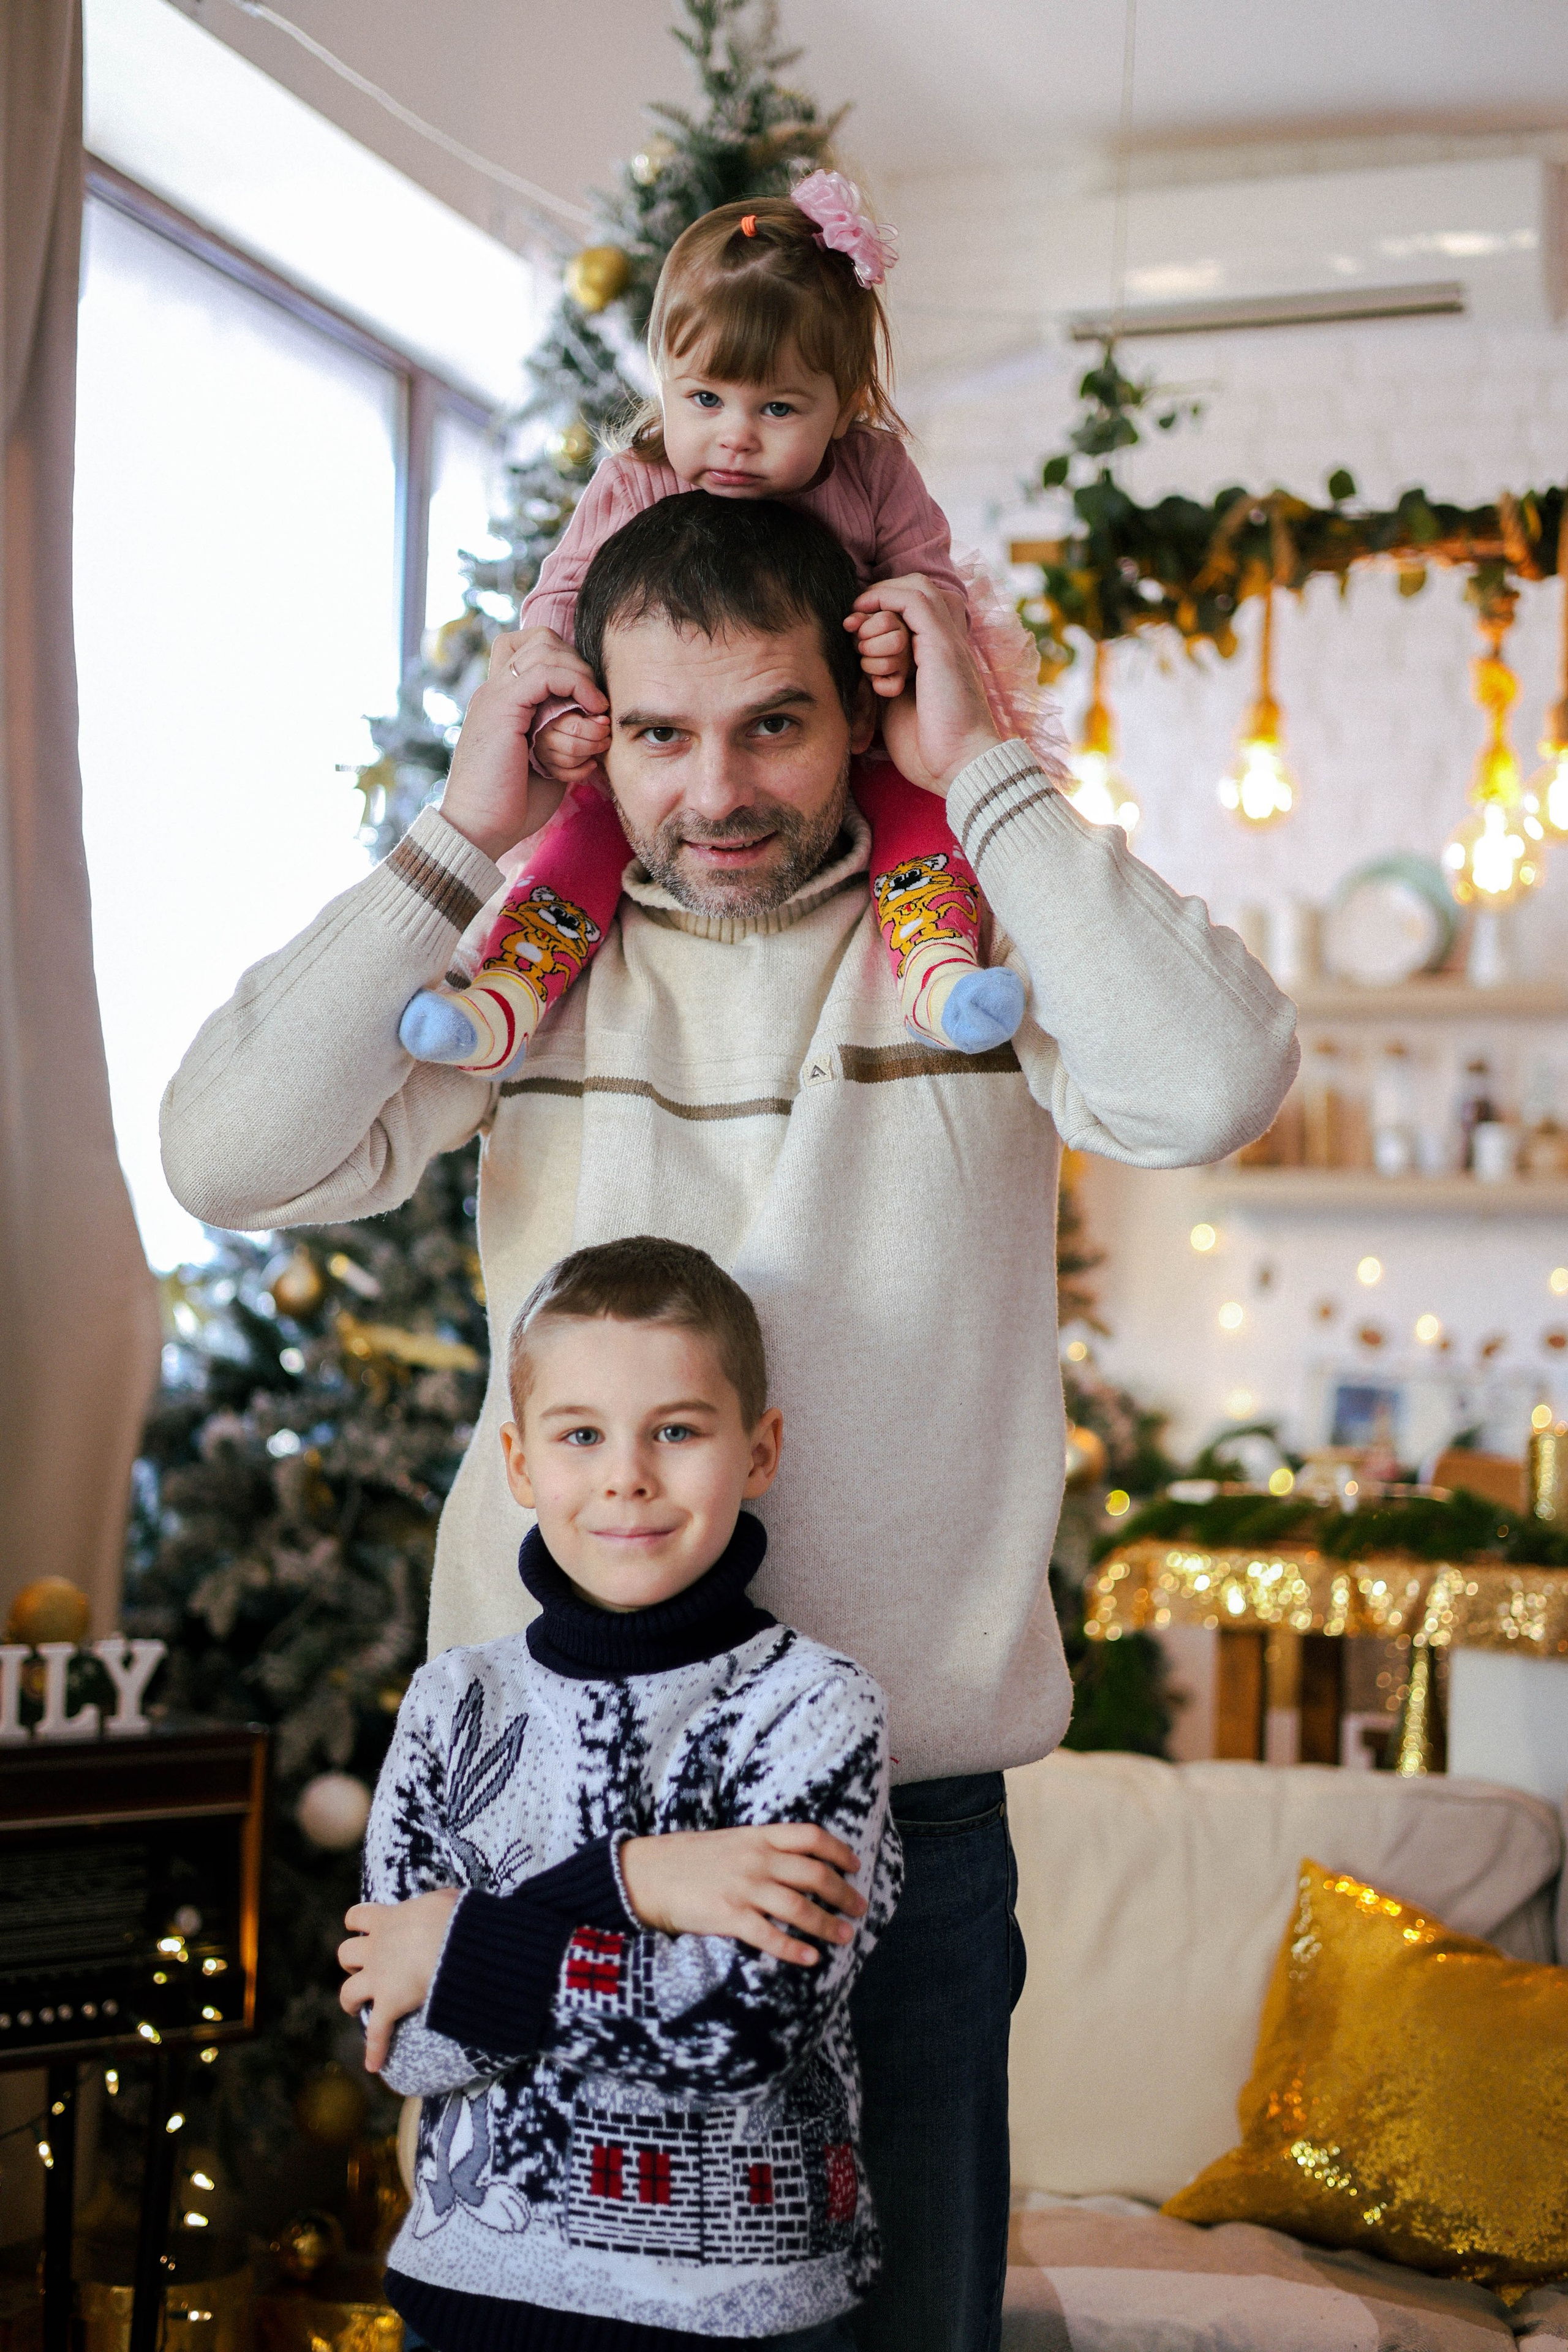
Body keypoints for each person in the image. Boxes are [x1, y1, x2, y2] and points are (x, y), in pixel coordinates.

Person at [162, 489, 1298, 2352]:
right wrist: (462, 830)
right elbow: (228, 1153)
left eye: (774, 722)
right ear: (595, 733)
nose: (717, 792)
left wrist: (989, 769)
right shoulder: (527, 970)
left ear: (861, 710)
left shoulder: (973, 952)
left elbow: (1215, 1077)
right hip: (539, 1794)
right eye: (661, 735)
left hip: (897, 1821)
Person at [341, 1234, 900, 2350]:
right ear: (519, 1463)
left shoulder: (815, 1709)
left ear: (759, 1450)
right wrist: (635, 1881)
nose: (627, 1477)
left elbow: (741, 2027)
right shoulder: (452, 1702)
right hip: (468, 2306)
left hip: (734, 2323)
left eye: (677, 1432)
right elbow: (403, 2042)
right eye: (581, 1435)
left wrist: (459, 1944)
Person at [397, 173, 1060, 1080]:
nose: (736, 437)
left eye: (778, 408)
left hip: (856, 725)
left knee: (919, 808)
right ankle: (508, 990)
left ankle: (939, 965)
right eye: (705, 400)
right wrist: (556, 710)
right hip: (660, 741)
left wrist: (901, 634)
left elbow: (931, 584)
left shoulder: (871, 472)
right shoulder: (634, 480)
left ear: (845, 403)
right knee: (585, 833)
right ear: (663, 383)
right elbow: (558, 605)